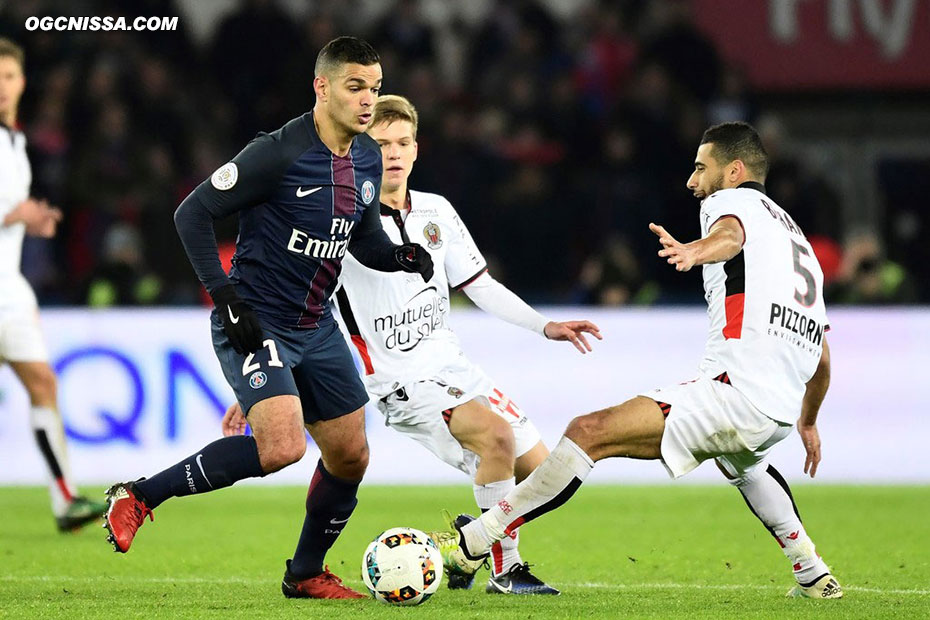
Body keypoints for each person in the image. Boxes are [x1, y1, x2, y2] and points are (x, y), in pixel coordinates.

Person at [224, 94, 601, 594]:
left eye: (403, 143)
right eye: (381, 144)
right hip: (398, 378)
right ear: (361, 149)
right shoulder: (340, 218)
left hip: (455, 366)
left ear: (417, 149)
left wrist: (543, 325)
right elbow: (303, 310)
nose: (394, 154)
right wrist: (258, 389)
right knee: (496, 439)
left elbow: (479, 284)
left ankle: (467, 546)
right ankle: (507, 571)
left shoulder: (436, 211)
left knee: (546, 476)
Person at [453, 122, 844, 600]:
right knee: (745, 465)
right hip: (777, 410)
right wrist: (808, 421)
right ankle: (813, 574)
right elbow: (822, 354)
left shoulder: (732, 202)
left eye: (701, 167)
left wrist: (694, 251)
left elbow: (729, 235)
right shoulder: (797, 241)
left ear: (735, 170)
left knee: (587, 432)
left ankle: (475, 540)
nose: (692, 181)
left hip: (735, 393)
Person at [102, 37, 433, 600]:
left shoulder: (368, 157)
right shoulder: (278, 153)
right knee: (282, 447)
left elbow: (366, 238)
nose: (367, 101)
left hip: (316, 323)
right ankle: (138, 494)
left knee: (351, 454)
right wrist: (224, 296)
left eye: (374, 89)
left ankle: (304, 574)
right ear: (321, 87)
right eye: (356, 87)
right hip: (256, 319)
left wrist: (399, 256)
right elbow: (192, 213)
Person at [0, 38, 107, 532]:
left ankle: (65, 499)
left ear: (22, 83)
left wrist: (28, 221)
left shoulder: (15, 143)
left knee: (43, 383)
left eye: (9, 77)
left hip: (9, 289)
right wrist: (12, 215)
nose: (2, 87)